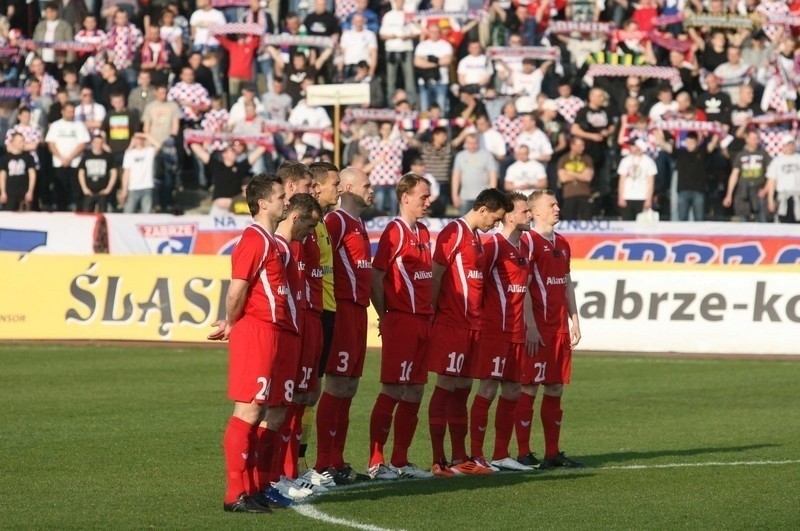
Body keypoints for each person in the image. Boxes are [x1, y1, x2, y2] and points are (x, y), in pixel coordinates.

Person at [208, 173, 293, 513]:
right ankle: (234, 493)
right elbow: (236, 289)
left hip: (270, 332)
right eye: (280, 196)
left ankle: (252, 487)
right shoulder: (254, 239)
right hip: (255, 330)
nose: (285, 201)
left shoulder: (270, 240)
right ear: (263, 203)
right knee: (248, 409)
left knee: (260, 410)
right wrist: (231, 323)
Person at [426, 188, 512, 477]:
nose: (496, 225)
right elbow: (437, 274)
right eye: (496, 219)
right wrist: (433, 314)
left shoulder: (476, 238)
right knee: (446, 386)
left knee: (462, 390)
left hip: (473, 326)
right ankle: (439, 460)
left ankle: (461, 457)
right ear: (483, 209)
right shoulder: (454, 232)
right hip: (453, 323)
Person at [367, 173, 435, 481]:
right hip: (402, 319)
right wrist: (386, 315)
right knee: (393, 389)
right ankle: (376, 462)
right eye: (423, 196)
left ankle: (400, 460)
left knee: (416, 390)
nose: (428, 201)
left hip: (423, 320)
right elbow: (376, 277)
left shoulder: (423, 231)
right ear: (404, 197)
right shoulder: (393, 232)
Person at [468, 192, 537, 473]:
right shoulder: (493, 245)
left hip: (517, 332)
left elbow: (525, 289)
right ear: (508, 216)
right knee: (488, 388)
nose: (529, 215)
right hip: (495, 330)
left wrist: (529, 324)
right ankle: (476, 455)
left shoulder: (525, 249)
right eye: (525, 211)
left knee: (512, 390)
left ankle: (501, 454)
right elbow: (477, 284)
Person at [314, 167, 374, 484]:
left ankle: (337, 459)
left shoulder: (358, 224)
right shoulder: (336, 222)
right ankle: (323, 462)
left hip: (359, 311)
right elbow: (321, 262)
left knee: (349, 387)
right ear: (348, 187)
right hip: (342, 309)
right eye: (367, 184)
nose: (372, 189)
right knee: (337, 385)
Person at [518, 189, 585, 470]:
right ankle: (523, 453)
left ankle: (552, 452)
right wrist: (530, 325)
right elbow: (521, 288)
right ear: (535, 212)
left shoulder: (563, 243)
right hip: (538, 328)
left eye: (557, 203)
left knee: (555, 387)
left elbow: (566, 282)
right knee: (529, 387)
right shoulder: (528, 242)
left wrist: (575, 319)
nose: (558, 208)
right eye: (552, 204)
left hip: (558, 327)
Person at [272, 192, 325, 491]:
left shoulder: (307, 239)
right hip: (290, 324)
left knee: (300, 396)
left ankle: (289, 470)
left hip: (310, 318)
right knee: (277, 403)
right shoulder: (278, 245)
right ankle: (276, 474)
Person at [296, 162, 342, 478]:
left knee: (313, 390)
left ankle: (302, 460)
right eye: (333, 184)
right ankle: (293, 463)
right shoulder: (306, 226)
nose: (336, 189)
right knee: (301, 391)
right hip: (311, 312)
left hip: (327, 310)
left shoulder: (323, 223)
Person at [189, 142, 267, 212]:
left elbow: (257, 153)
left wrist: (266, 140)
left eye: (235, 151)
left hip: (235, 208)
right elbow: (199, 152)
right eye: (231, 150)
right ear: (224, 154)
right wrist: (191, 138)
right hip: (218, 208)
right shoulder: (216, 165)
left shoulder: (240, 167)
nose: (235, 152)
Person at [45, 102, 90, 211]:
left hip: (75, 163)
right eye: (69, 112)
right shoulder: (55, 125)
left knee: (76, 190)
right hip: (59, 163)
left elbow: (83, 143)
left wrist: (70, 157)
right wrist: (61, 158)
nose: (71, 114)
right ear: (63, 112)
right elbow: (51, 143)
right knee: (60, 190)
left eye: (73, 112)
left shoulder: (79, 125)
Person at [723, 130, 771, 222]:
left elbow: (771, 175)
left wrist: (766, 189)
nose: (755, 141)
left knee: (762, 220)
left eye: (756, 138)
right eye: (753, 138)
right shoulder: (741, 155)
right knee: (744, 220)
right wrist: (729, 194)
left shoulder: (764, 154)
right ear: (747, 139)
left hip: (759, 190)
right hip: (744, 190)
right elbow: (734, 175)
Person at [451, 133, 498, 215]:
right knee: (465, 224)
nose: (472, 145)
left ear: (478, 142)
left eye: (474, 143)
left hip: (483, 198)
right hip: (465, 197)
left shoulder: (487, 155)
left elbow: (492, 175)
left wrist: (492, 195)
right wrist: (454, 195)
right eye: (469, 143)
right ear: (465, 143)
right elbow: (456, 176)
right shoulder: (460, 156)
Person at [120, 133, 161, 214]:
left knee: (147, 213)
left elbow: (158, 145)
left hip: (147, 187)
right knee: (128, 212)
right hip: (132, 188)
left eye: (140, 139)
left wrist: (146, 135)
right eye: (136, 139)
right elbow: (126, 173)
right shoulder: (129, 154)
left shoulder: (149, 151)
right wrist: (124, 190)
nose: (138, 141)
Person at [616, 139, 656, 221]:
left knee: (641, 224)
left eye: (634, 146)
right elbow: (621, 180)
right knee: (627, 223)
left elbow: (651, 182)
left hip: (642, 197)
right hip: (627, 197)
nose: (631, 148)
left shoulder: (649, 161)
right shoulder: (625, 161)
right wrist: (620, 197)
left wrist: (648, 199)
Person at [556, 137, 594, 220]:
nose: (582, 148)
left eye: (583, 145)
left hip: (584, 194)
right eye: (580, 145)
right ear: (572, 146)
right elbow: (563, 178)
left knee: (586, 221)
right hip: (569, 195)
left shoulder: (587, 159)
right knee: (569, 221)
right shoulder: (564, 159)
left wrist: (570, 173)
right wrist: (581, 175)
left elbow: (588, 177)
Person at [78, 133, 117, 213]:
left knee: (102, 215)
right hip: (89, 191)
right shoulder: (86, 156)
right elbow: (81, 172)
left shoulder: (108, 156)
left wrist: (108, 189)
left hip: (102, 191)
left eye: (100, 143)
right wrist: (84, 188)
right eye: (96, 142)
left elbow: (114, 173)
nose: (98, 145)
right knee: (87, 215)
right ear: (92, 143)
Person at [765, 135, 800, 224]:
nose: (790, 147)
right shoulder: (777, 161)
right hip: (783, 197)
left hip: (798, 196)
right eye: (788, 144)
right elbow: (772, 180)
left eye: (792, 144)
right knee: (783, 222)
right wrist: (770, 200)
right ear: (784, 146)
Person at [0, 133, 37, 212]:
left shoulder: (29, 157)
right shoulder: (5, 158)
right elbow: (2, 176)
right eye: (20, 141)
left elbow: (32, 175)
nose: (23, 143)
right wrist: (2, 192)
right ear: (13, 142)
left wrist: (30, 191)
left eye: (23, 141)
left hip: (24, 194)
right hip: (9, 195)